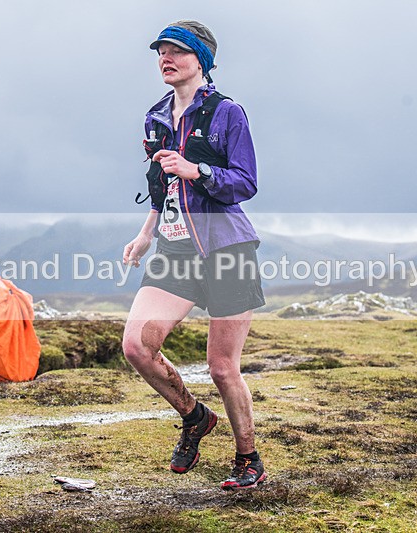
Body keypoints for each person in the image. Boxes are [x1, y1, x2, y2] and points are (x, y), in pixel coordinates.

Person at [122, 20, 267, 490]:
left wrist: (197, 169)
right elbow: (160, 185)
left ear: (201, 60)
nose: (166, 58)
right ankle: (194, 416)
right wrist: (146, 234)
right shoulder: (155, 116)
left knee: (222, 368)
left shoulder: (228, 113)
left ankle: (249, 459)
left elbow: (245, 182)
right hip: (175, 249)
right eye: (161, 51)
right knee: (137, 346)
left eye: (177, 51)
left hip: (227, 249)